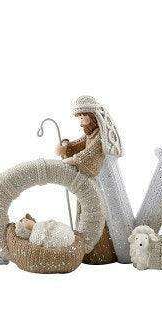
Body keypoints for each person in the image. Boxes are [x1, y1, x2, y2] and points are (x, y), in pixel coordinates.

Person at [56, 95, 123, 264]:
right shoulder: (91, 134)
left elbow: (87, 155)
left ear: (92, 117)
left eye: (82, 117)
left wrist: (68, 160)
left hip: (98, 184)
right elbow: (79, 144)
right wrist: (66, 146)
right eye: (78, 117)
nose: (80, 121)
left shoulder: (100, 137)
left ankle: (99, 252)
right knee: (85, 212)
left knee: (96, 213)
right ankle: (84, 249)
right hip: (89, 182)